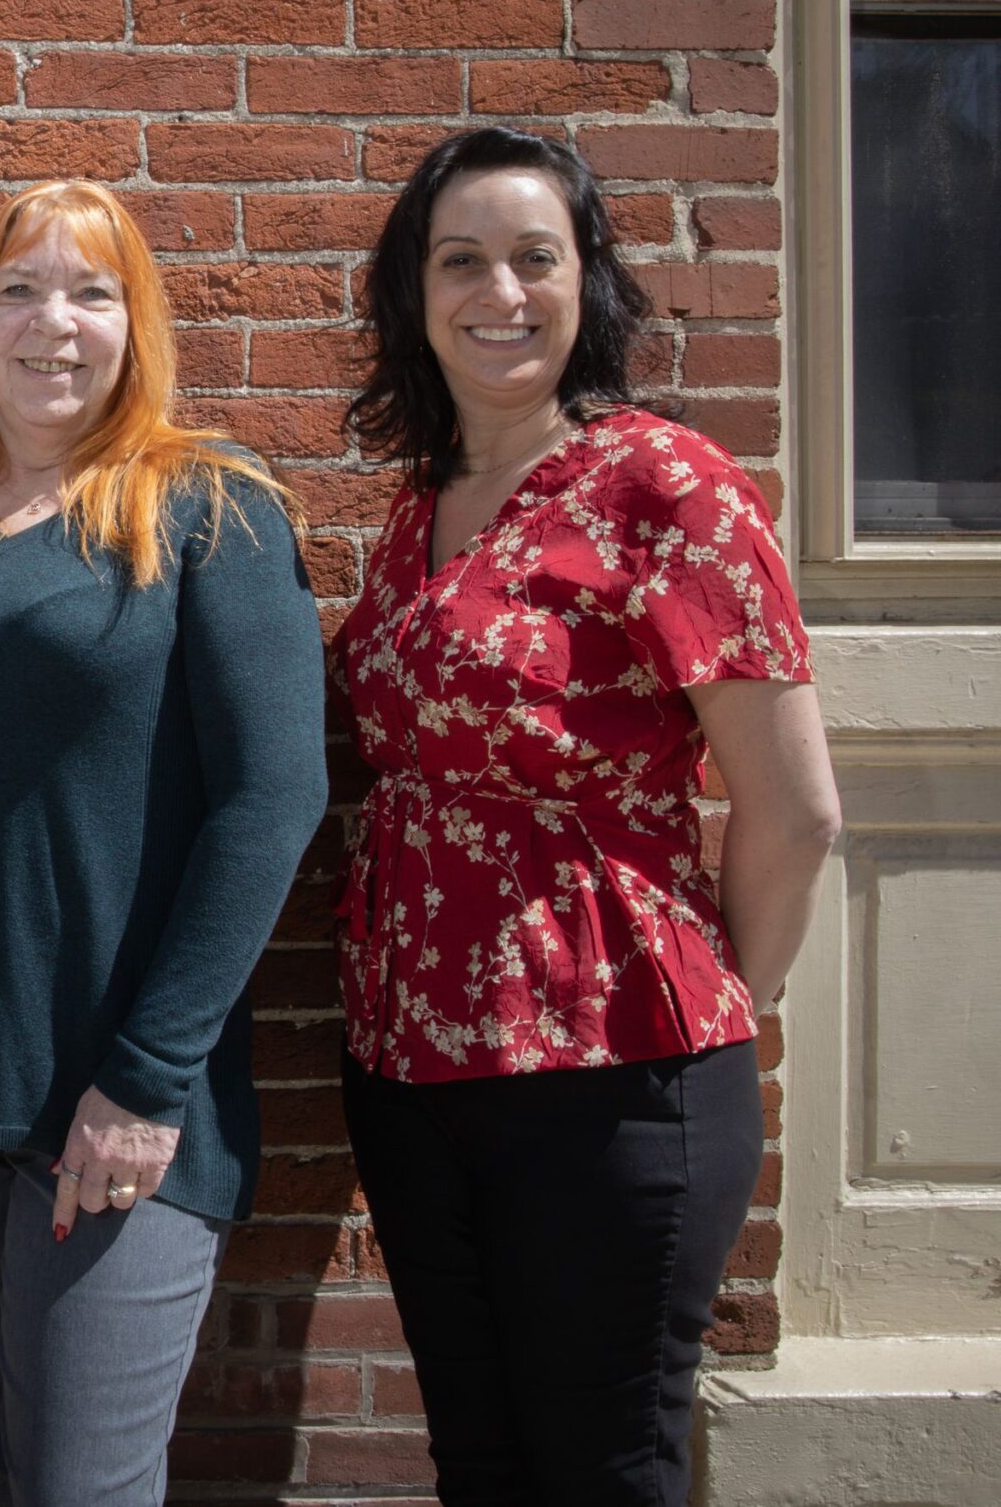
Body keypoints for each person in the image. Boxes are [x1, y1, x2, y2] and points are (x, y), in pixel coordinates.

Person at [0, 178, 329, 1506]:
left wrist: (147, 1078)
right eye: (20, 290)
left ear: (134, 325)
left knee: (82, 1488)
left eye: (92, 292)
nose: (54, 324)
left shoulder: (209, 510)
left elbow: (273, 801)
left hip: (122, 1091)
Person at [334, 126, 842, 1505]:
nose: (499, 291)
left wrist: (712, 1014)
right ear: (412, 294)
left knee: (604, 1474)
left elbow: (793, 812)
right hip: (412, 1075)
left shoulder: (664, 487)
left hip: (613, 1076)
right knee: (482, 1471)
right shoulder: (416, 507)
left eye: (534, 257)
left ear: (587, 281)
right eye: (461, 261)